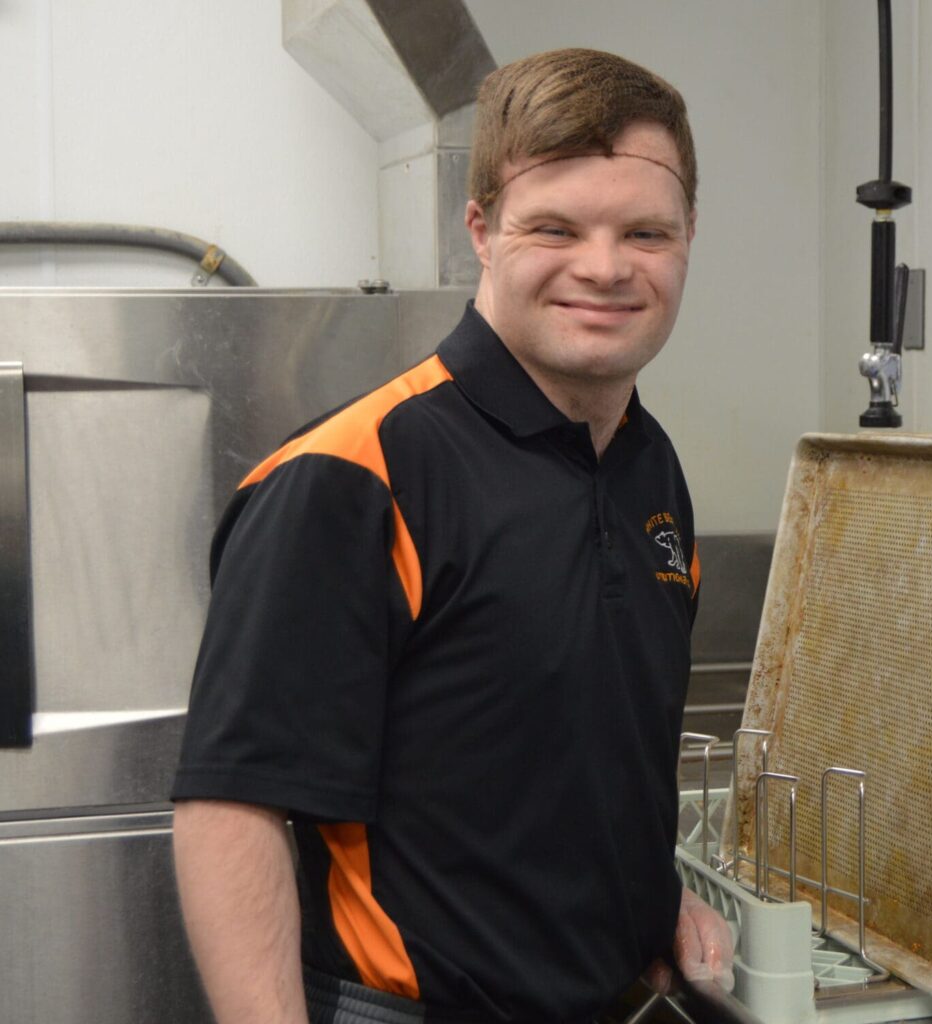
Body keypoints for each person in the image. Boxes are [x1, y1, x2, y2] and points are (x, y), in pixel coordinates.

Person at [172, 46, 734, 1024]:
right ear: (479, 229)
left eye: (643, 231)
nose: (603, 267)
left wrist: (655, 894)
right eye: (553, 227)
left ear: (689, 235)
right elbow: (233, 808)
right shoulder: (354, 476)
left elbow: (571, 754)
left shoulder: (649, 468)